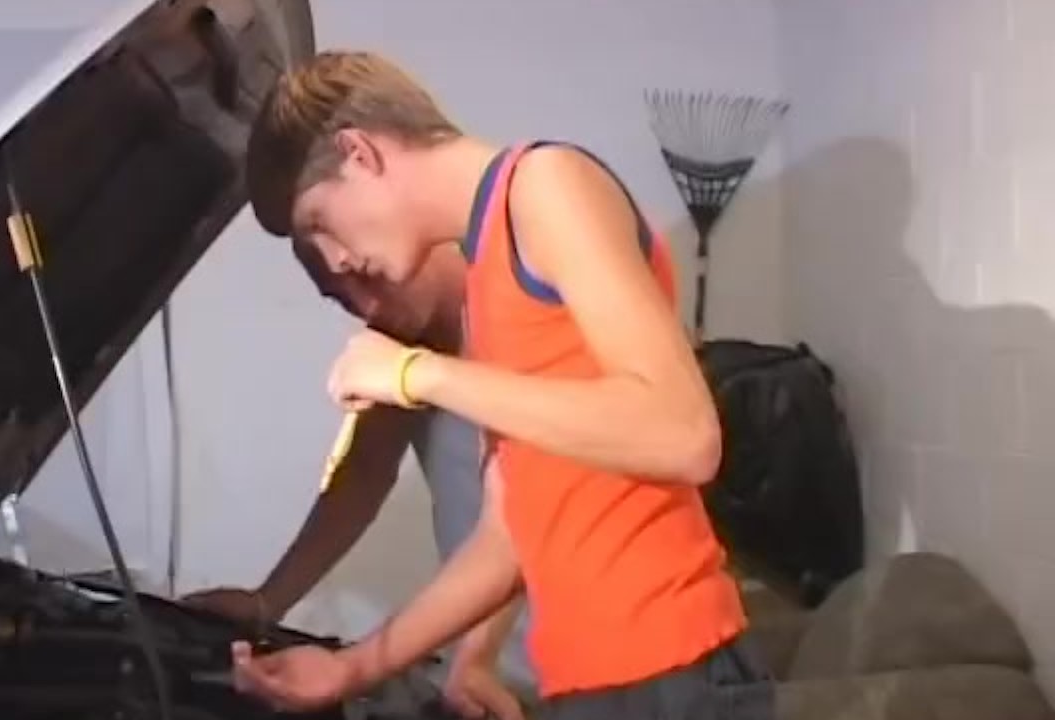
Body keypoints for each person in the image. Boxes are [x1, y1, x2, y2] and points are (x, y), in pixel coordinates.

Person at [230, 50, 773, 720]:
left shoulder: (545, 184)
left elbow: (683, 434)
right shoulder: (489, 278)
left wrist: (416, 374)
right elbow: (507, 533)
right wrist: (353, 667)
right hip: (591, 683)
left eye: (319, 223)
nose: (337, 259)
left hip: (672, 671)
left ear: (360, 154)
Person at [181, 238, 534, 720]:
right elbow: (364, 470)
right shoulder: (401, 339)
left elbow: (526, 514)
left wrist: (478, 653)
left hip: (586, 657)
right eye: (339, 295)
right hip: (478, 671)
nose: (365, 306)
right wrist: (268, 602)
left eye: (363, 272)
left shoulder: (529, 295)